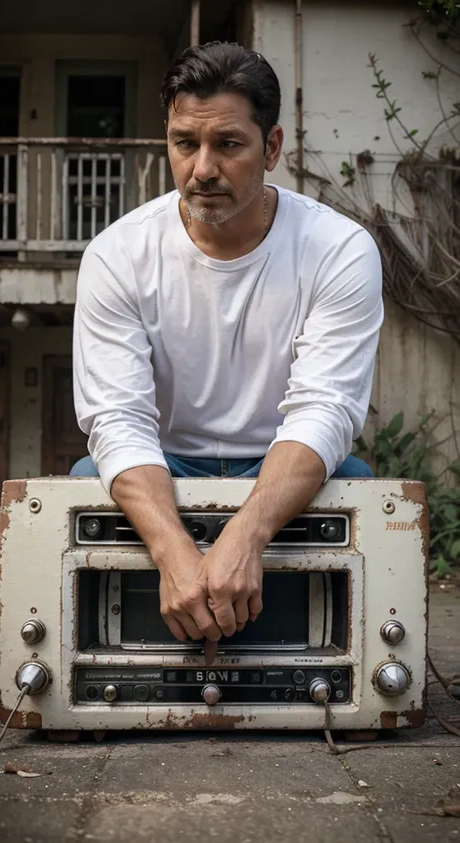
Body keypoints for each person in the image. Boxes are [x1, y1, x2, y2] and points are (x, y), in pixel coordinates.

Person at [72, 41, 383, 647]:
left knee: (365, 491)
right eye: (185, 143)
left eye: (229, 145)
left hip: (287, 464)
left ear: (272, 147)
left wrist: (245, 535)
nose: (202, 169)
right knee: (85, 482)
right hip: (167, 464)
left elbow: (326, 410)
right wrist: (172, 550)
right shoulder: (118, 254)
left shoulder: (339, 250)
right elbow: (118, 419)